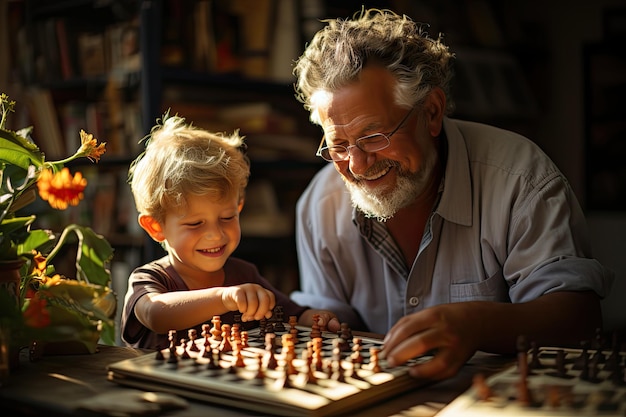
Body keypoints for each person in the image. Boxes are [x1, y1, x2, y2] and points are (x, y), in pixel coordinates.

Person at [290, 8, 614, 381]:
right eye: (339, 145)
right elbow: (331, 316)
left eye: (374, 137)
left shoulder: (520, 178)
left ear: (431, 112)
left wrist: (479, 324)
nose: (358, 165)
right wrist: (325, 321)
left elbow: (580, 319)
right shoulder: (319, 204)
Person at [121, 114, 339, 349]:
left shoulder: (245, 275)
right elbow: (155, 314)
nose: (215, 234)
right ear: (156, 227)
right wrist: (223, 298)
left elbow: (292, 315)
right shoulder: (150, 279)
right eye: (195, 224)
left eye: (227, 217)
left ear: (239, 207)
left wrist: (316, 319)